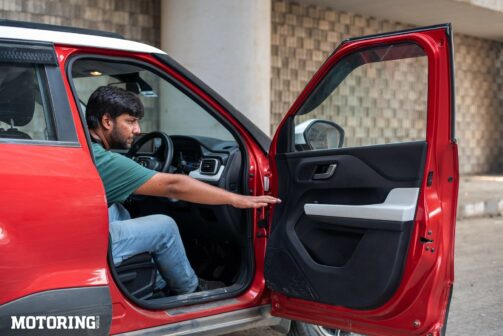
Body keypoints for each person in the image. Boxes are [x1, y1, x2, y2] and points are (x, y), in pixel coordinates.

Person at [85, 86, 280, 295]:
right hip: (86, 245)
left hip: (79, 233)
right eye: (130, 121)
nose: (138, 130)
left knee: (118, 211)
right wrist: (234, 198)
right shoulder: (104, 160)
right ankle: (190, 288)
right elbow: (174, 186)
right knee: (164, 226)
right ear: (107, 122)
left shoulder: (86, 148)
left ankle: (157, 282)